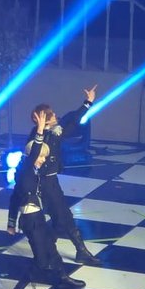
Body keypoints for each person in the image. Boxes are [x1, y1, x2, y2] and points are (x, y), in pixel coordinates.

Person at [7, 110, 86, 289]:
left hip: (38, 217)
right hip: (30, 221)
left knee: (51, 247)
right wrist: (40, 130)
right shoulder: (26, 170)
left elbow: (15, 197)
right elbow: (15, 198)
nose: (43, 160)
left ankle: (63, 277)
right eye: (41, 157)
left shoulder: (34, 171)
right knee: (41, 261)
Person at [25, 85, 100, 265]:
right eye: (51, 115)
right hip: (43, 183)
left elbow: (73, 120)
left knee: (62, 218)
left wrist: (88, 102)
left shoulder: (55, 132)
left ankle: (57, 246)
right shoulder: (38, 135)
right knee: (63, 216)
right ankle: (76, 250)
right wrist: (41, 129)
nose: (56, 116)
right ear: (43, 119)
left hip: (52, 180)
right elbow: (34, 152)